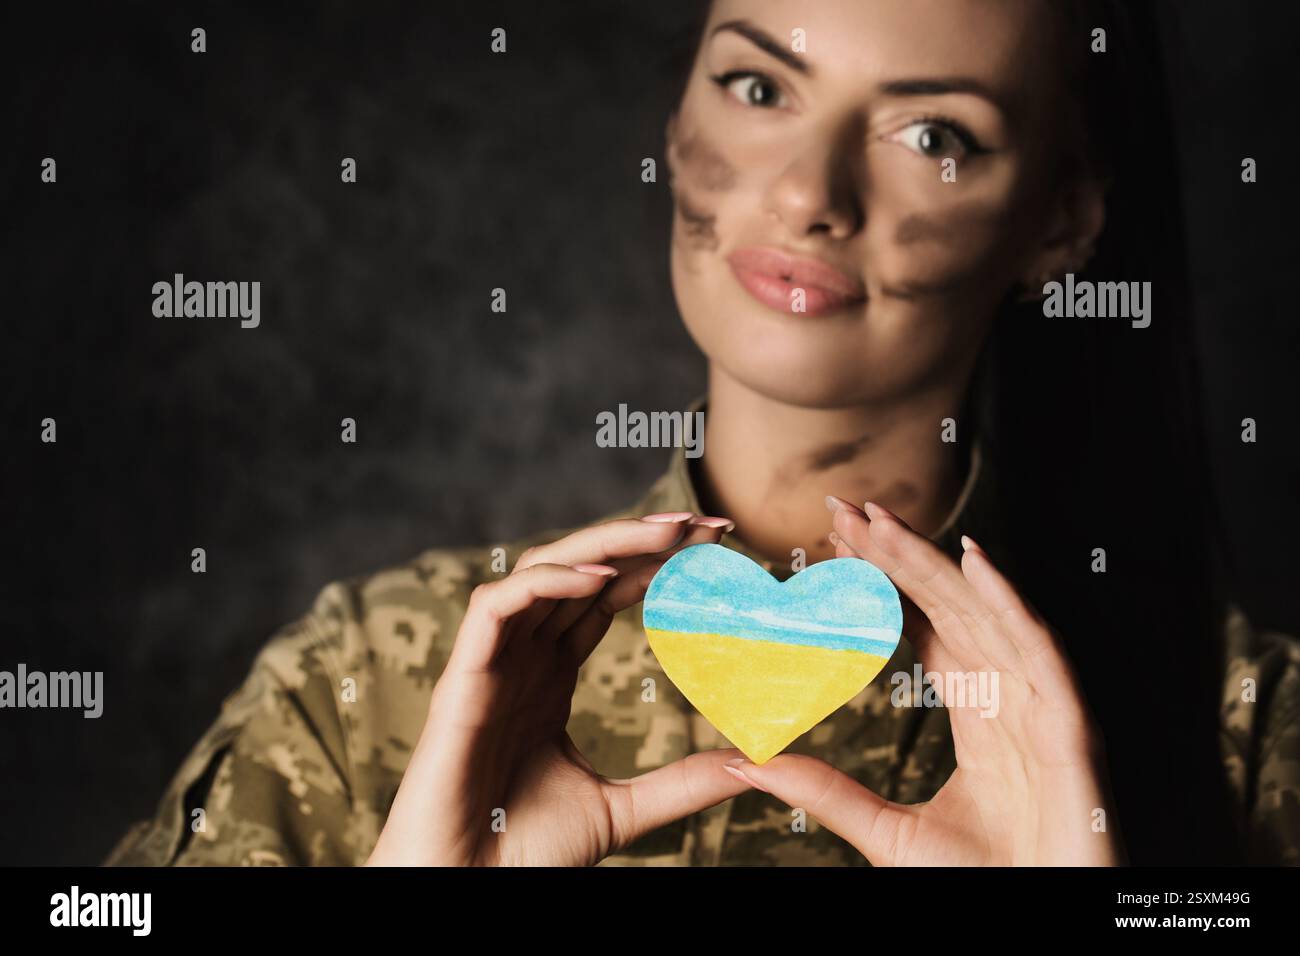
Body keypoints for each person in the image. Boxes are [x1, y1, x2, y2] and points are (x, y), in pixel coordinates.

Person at [107, 0, 1300, 866]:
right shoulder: (363, 685)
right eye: (758, 86)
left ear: (1061, 219)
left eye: (933, 135)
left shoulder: (1247, 730)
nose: (805, 193)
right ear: (676, 125)